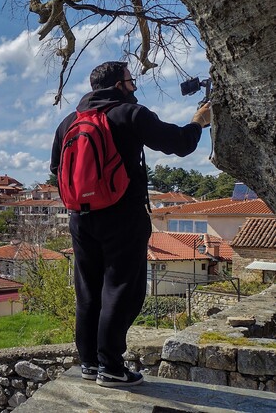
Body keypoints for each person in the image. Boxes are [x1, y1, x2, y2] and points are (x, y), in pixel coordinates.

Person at [50, 61, 211, 387]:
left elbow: (56, 168)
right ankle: (111, 366)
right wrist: (199, 121)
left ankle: (90, 364)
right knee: (123, 288)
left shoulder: (69, 121)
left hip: (80, 218)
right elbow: (179, 143)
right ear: (120, 85)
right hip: (123, 214)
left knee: (89, 291)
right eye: (131, 80)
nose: (135, 86)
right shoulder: (129, 113)